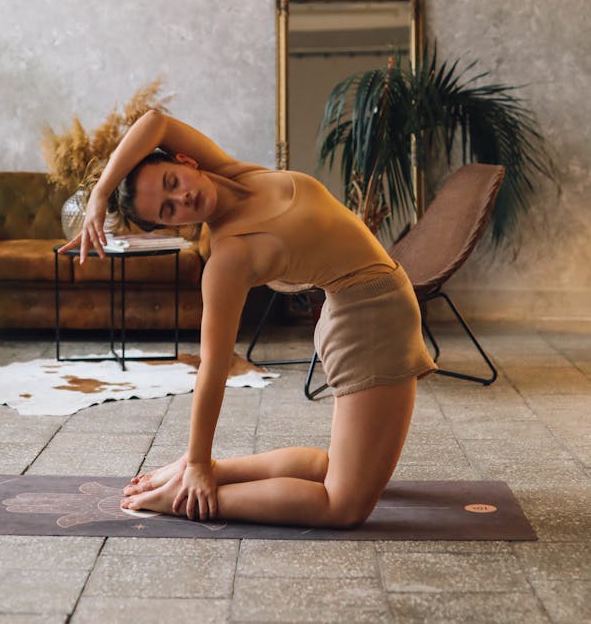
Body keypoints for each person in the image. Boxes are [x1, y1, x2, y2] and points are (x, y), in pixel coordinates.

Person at [61, 109, 436, 528]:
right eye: (168, 210)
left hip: (368, 312)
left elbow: (155, 123)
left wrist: (100, 194)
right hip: (369, 324)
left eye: (172, 182)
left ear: (185, 162)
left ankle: (205, 473)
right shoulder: (228, 258)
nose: (182, 199)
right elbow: (214, 366)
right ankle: (186, 496)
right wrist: (198, 459)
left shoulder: (237, 173)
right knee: (342, 506)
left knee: (332, 467)